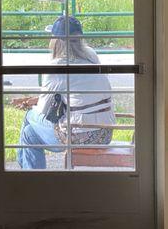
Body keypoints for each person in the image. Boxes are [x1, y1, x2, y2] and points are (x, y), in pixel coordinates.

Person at [14, 15, 116, 169]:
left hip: (80, 135)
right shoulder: (91, 55)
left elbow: (43, 110)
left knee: (29, 121)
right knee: (29, 132)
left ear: (56, 41)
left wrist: (31, 105)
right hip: (104, 133)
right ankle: (28, 178)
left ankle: (30, 182)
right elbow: (83, 93)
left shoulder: (58, 66)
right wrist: (34, 100)